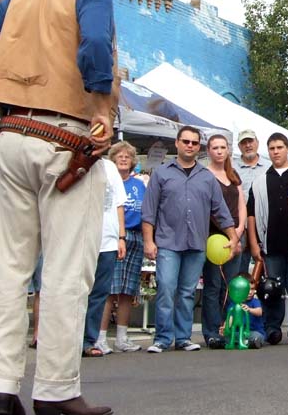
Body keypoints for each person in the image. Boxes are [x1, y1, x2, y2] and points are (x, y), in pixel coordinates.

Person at [0, 0, 141, 415]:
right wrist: (102, 105)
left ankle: (1, 387)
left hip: (12, 135)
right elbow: (95, 49)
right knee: (66, 268)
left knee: (11, 266)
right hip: (65, 139)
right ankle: (56, 387)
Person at [142, 125, 239, 353]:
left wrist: (233, 237)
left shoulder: (206, 177)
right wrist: (149, 241)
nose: (190, 146)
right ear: (177, 143)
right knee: (166, 288)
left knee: (187, 292)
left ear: (199, 147)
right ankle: (163, 338)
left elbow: (221, 211)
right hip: (168, 242)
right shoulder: (161, 173)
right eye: (186, 141)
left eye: (194, 143)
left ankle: (184, 338)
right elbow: (149, 211)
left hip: (197, 243)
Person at [247, 133, 288, 344]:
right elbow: (251, 213)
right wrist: (253, 242)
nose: (276, 151)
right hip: (271, 243)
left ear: (287, 149)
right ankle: (272, 328)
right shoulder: (260, 181)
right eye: (272, 148)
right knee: (272, 289)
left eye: (279, 147)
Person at [100, 141, 145, 353]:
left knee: (128, 291)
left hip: (136, 236)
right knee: (111, 289)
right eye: (120, 156)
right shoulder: (107, 182)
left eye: (128, 156)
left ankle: (122, 337)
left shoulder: (139, 185)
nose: (124, 159)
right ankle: (100, 337)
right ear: (113, 159)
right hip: (116, 236)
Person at [202, 134, 247, 348]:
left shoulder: (233, 174)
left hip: (235, 237)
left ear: (228, 150)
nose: (219, 151)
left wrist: (237, 234)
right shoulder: (204, 175)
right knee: (213, 285)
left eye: (223, 147)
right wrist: (228, 235)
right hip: (214, 238)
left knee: (231, 286)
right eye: (215, 148)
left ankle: (229, 329)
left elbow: (241, 207)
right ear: (209, 151)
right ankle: (212, 331)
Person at [84, 158, 127, 357]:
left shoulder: (109, 167)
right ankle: (70, 339)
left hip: (108, 241)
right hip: (81, 239)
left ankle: (89, 340)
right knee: (76, 291)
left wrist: (121, 237)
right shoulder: (77, 161)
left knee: (99, 293)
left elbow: (119, 204)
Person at [234, 129, 267, 274]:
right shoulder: (231, 166)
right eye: (244, 142)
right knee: (238, 269)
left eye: (250, 141)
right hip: (239, 226)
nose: (248, 145)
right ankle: (236, 297)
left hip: (263, 226)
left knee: (265, 269)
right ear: (239, 146)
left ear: (257, 143)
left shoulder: (269, 166)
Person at [219, 274, 265, 349]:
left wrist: (250, 309)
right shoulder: (234, 304)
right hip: (238, 332)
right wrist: (225, 327)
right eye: (247, 289)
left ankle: (250, 342)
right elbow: (230, 318)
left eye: (252, 289)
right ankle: (225, 342)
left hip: (252, 331)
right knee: (227, 335)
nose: (250, 292)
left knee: (256, 336)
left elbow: (259, 312)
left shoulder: (255, 301)